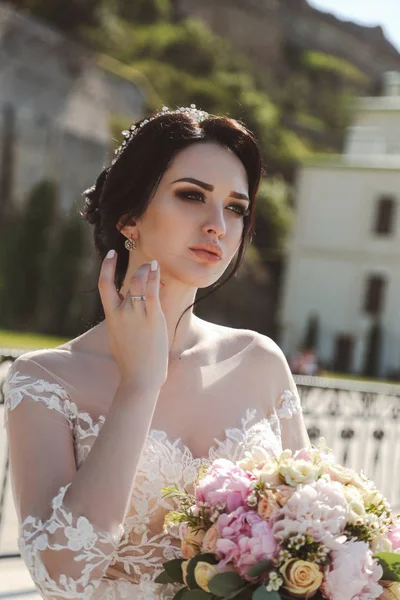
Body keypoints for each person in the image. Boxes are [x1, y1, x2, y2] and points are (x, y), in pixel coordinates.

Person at [3, 105, 310, 600]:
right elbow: (60, 575)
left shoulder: (261, 362)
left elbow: (308, 536)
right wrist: (139, 386)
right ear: (129, 218)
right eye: (192, 196)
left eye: (235, 207)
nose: (218, 224)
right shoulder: (44, 381)